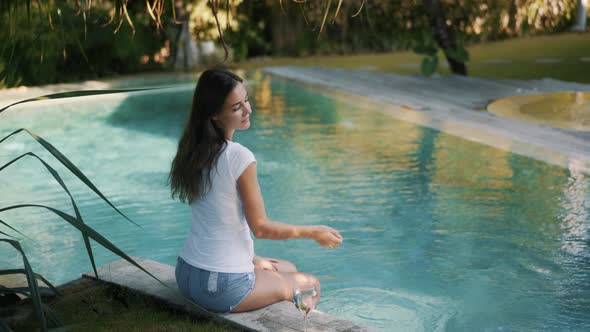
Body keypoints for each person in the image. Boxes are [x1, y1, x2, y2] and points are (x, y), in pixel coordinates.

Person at [169, 68, 343, 314]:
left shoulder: (194, 152)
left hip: (187, 273)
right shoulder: (238, 156)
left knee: (287, 268)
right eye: (236, 107)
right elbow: (261, 227)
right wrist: (314, 232)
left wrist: (253, 260)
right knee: (309, 284)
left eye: (246, 100)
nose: (248, 110)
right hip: (221, 286)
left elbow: (218, 221)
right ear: (214, 115)